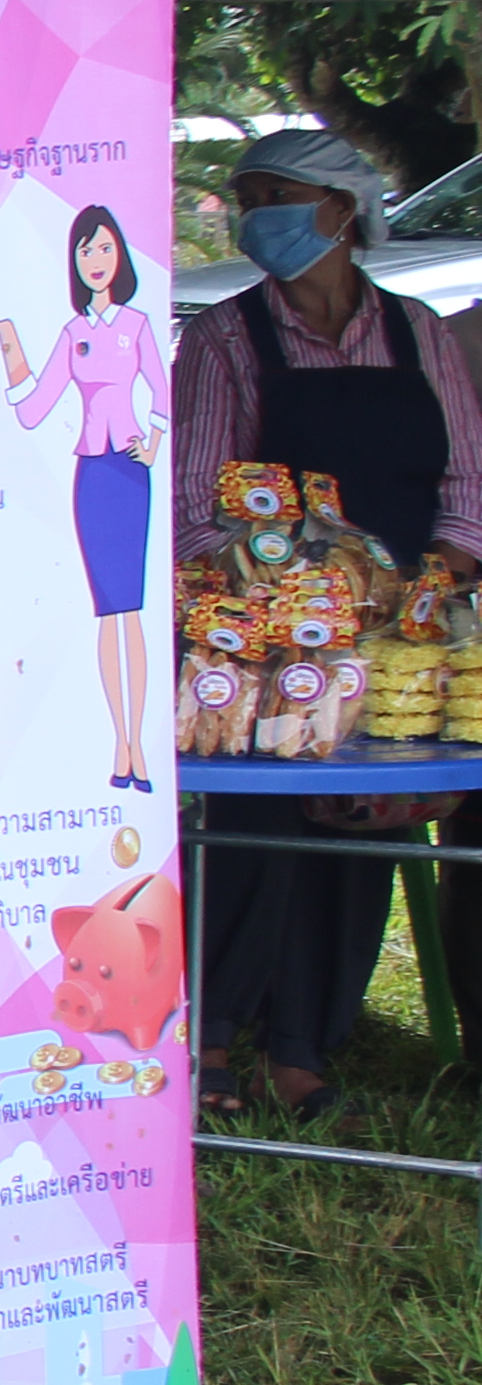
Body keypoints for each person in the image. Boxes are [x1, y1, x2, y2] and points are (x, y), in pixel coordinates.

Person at [175, 120, 482, 1118]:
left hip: (404, 630)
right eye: (249, 199)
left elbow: (467, 487)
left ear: (341, 213)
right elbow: (194, 512)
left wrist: (424, 586)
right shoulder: (225, 339)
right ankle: (215, 1033)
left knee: (373, 815)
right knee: (261, 804)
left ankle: (306, 1044)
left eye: (275, 198)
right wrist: (295, 589)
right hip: (268, 633)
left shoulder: (419, 332)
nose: (259, 218)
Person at [0, 203, 166, 794]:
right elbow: (32, 407)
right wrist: (7, 340)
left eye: (104, 248)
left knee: (133, 612)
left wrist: (152, 440)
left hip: (129, 471)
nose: (95, 260)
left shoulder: (137, 327)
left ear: (120, 255)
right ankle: (120, 746)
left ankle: (138, 750)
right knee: (107, 612)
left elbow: (162, 387)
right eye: (85, 251)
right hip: (91, 474)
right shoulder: (75, 335)